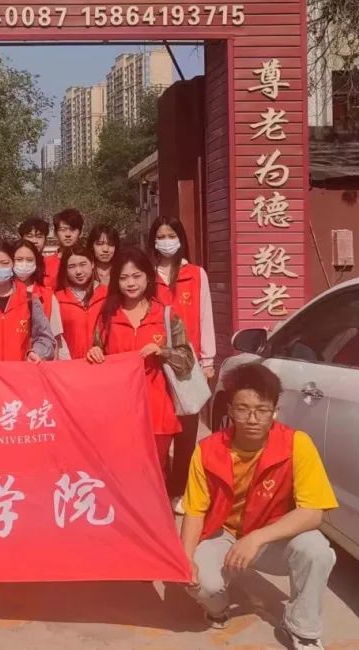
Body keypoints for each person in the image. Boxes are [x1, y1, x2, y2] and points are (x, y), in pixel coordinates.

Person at [182, 363, 337, 650]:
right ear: (230, 409)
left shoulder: (297, 444)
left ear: (275, 410)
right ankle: (218, 607)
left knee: (317, 550)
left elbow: (314, 512)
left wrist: (257, 538)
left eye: (262, 410)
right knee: (198, 582)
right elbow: (195, 510)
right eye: (243, 409)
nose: (252, 419)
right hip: (224, 534)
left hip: (271, 538)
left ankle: (302, 628)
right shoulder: (207, 450)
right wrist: (186, 558)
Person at [86, 247, 194, 466]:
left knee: (155, 470)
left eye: (136, 276)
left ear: (148, 277)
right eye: (124, 278)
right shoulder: (107, 317)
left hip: (157, 409)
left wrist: (162, 351)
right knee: (123, 469)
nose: (131, 283)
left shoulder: (166, 315)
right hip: (118, 410)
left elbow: (187, 360)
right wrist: (93, 353)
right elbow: (97, 353)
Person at [149, 216, 217, 514]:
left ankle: (179, 489)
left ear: (180, 238)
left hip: (188, 363)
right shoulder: (147, 275)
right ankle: (158, 487)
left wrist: (208, 360)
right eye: (161, 236)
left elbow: (205, 316)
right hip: (155, 361)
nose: (166, 241)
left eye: (171, 235)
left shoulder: (195, 274)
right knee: (159, 429)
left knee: (187, 431)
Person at [13, 238, 69, 359]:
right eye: (19, 259)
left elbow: (55, 339)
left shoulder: (48, 296)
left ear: (36, 262)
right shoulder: (2, 293)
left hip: (38, 361)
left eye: (29, 260)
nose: (24, 264)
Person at [54, 244, 107, 360]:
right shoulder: (57, 299)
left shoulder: (106, 295)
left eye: (83, 264)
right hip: (72, 364)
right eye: (71, 267)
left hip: (102, 361)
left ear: (92, 264)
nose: (78, 271)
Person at [45, 208, 84, 290]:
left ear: (80, 233)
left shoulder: (89, 261)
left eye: (73, 229)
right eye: (63, 230)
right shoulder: (45, 263)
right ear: (55, 233)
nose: (68, 234)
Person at [88, 223, 121, 287]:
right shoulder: (85, 273)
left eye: (111, 244)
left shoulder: (122, 272)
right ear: (92, 246)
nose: (105, 249)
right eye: (99, 244)